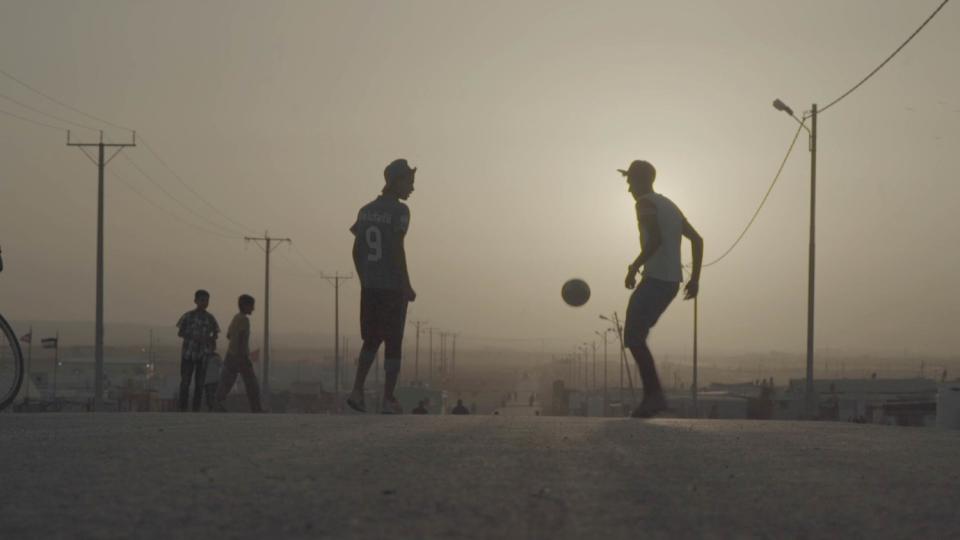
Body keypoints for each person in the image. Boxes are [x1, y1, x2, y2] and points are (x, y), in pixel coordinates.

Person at [619, 160, 703, 418]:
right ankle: (654, 397)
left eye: (631, 182)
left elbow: (654, 240)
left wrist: (633, 267)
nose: (629, 189)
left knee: (633, 336)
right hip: (669, 283)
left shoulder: (644, 203)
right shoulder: (669, 205)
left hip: (656, 281)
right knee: (636, 335)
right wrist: (694, 279)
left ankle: (654, 397)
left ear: (642, 181)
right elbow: (697, 240)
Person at [346, 159, 417, 414]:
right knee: (393, 341)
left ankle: (357, 390)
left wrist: (365, 277)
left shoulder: (365, 211)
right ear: (396, 181)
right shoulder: (401, 212)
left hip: (370, 286)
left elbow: (356, 250)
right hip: (392, 288)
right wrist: (406, 284)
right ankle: (388, 398)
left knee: (371, 339)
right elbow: (398, 248)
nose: (411, 188)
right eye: (409, 182)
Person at [215, 294, 263, 412]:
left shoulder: (236, 317)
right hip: (241, 356)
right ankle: (256, 408)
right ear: (245, 306)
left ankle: (216, 405)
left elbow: (229, 335)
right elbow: (241, 338)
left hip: (231, 355)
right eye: (251, 306)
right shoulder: (244, 320)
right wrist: (244, 357)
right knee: (252, 384)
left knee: (226, 383)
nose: (253, 309)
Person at [176, 289, 220, 412]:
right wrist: (193, 336)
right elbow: (180, 332)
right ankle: (182, 408)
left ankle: (196, 409)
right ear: (195, 301)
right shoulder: (188, 316)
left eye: (206, 300)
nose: (204, 303)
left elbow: (215, 334)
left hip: (203, 356)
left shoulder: (210, 318)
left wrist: (210, 340)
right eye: (202, 300)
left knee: (199, 384)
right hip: (188, 355)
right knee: (185, 382)